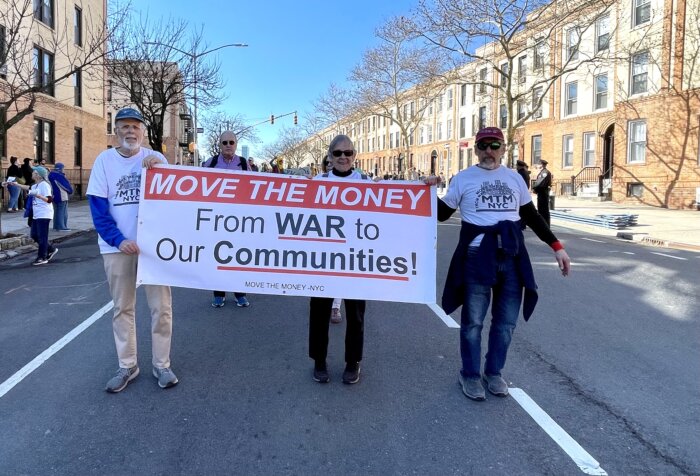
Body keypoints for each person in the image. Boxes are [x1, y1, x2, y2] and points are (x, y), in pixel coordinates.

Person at [437, 126, 570, 402]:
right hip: (477, 259)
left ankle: (494, 372)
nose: (489, 151)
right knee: (473, 322)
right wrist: (421, 191)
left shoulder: (514, 179)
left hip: (511, 257)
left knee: (506, 322)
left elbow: (532, 216)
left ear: (503, 148)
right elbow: (440, 214)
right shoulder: (463, 179)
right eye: (483, 145)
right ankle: (470, 374)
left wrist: (556, 246)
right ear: (475, 149)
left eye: (494, 145)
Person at [86, 107, 178, 393]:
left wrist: (161, 169)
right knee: (122, 308)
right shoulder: (104, 161)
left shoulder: (156, 158)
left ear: (143, 131)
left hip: (153, 251)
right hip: (118, 249)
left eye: (135, 127)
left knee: (161, 308)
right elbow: (98, 209)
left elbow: (174, 201)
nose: (130, 132)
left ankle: (162, 364)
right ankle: (128, 365)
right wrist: (117, 239)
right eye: (124, 127)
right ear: (116, 131)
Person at [308, 134, 368, 385]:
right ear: (329, 157)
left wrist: (426, 185)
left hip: (355, 258)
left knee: (355, 314)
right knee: (319, 311)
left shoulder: (366, 182)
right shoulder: (318, 181)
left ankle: (353, 363)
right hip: (324, 258)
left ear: (354, 156)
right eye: (338, 153)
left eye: (348, 153)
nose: (343, 157)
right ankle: (319, 360)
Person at [203, 130, 251, 309]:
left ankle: (240, 294)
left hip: (239, 219)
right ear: (220, 145)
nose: (228, 145)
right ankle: (219, 294)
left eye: (232, 142)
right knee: (218, 256)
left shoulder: (244, 163)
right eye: (225, 143)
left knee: (238, 257)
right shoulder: (211, 163)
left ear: (236, 144)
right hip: (216, 218)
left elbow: (254, 188)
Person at [3, 166, 58, 265]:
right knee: (34, 235)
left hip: (44, 214)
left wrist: (38, 195)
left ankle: (42, 257)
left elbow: (49, 200)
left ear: (38, 175)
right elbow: (28, 188)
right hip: (36, 214)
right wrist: (16, 184)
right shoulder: (36, 185)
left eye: (34, 172)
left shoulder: (44, 185)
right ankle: (50, 249)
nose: (32, 173)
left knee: (42, 236)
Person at [48, 163, 74, 231]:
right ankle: (62, 227)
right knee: (62, 212)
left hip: (53, 195)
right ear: (61, 168)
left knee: (56, 211)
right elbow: (66, 186)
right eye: (63, 168)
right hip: (61, 195)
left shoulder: (50, 175)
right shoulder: (59, 176)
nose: (64, 170)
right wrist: (70, 191)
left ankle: (56, 226)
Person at [532, 159, 552, 227]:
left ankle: (545, 225)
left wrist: (534, 188)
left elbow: (540, 183)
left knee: (544, 210)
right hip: (541, 193)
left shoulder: (545, 173)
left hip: (543, 193)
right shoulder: (543, 172)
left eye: (538, 165)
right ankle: (543, 224)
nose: (537, 166)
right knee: (541, 209)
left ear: (541, 165)